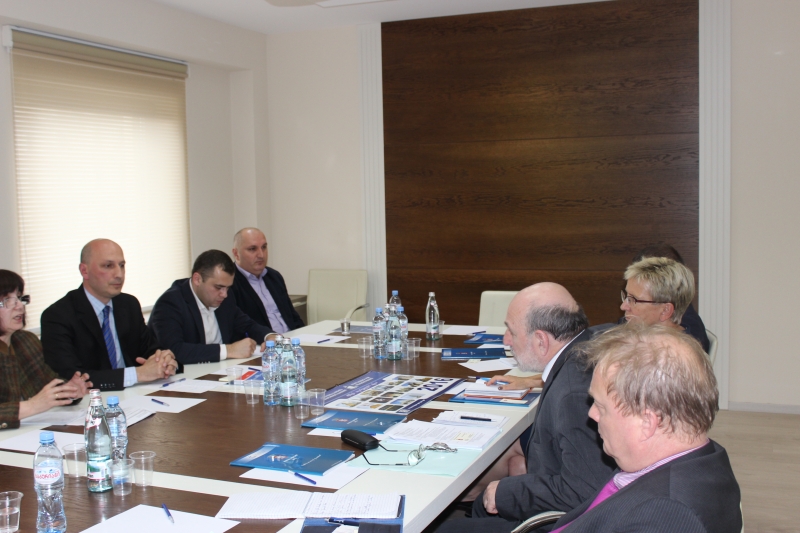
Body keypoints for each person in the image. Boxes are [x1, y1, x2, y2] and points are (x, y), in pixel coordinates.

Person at [544, 324, 741, 532]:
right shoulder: (700, 457)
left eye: (601, 407)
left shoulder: (664, 516)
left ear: (647, 423)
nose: (592, 414)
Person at [450, 283, 615, 531]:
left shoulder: (573, 395)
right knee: (480, 508)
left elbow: (584, 493)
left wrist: (507, 492)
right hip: (553, 492)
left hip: (562, 523)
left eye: (512, 332)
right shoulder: (589, 343)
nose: (506, 340)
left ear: (541, 341)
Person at [41, 239, 178, 391]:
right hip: (93, 402)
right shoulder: (57, 316)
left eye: (122, 265)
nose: (119, 274)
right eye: (108, 266)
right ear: (84, 271)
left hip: (138, 395)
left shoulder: (129, 304)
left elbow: (151, 351)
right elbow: (71, 378)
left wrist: (164, 361)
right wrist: (138, 374)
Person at [1, 270, 91, 429]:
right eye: (8, 300)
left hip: (28, 432)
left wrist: (70, 390)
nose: (20, 306)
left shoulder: (25, 340)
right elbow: (37, 402)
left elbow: (47, 383)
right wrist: (32, 405)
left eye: (20, 298)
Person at [148, 249, 273, 364]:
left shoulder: (225, 297)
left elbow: (246, 324)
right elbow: (174, 350)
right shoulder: (170, 303)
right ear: (197, 279)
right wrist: (229, 350)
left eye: (228, 288)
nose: (224, 294)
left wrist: (269, 336)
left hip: (222, 370)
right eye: (218, 287)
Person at [624, 244, 710, 351]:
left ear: (665, 310)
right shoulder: (650, 335)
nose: (623, 306)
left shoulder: (672, 354)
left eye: (633, 300)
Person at [230, 228, 304, 333]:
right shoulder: (229, 283)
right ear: (236, 253)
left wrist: (305, 336)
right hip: (263, 341)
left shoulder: (274, 276)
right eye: (252, 249)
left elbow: (293, 317)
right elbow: (237, 327)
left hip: (291, 339)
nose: (261, 255)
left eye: (264, 247)